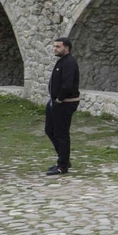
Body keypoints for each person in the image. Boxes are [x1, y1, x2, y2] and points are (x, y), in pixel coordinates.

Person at [44, 37, 80, 175]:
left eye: (58, 47)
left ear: (67, 48)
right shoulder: (61, 61)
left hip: (65, 103)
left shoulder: (69, 62)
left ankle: (62, 166)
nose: (55, 49)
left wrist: (59, 99)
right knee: (50, 130)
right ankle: (64, 158)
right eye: (54, 46)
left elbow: (67, 85)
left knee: (61, 134)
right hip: (55, 102)